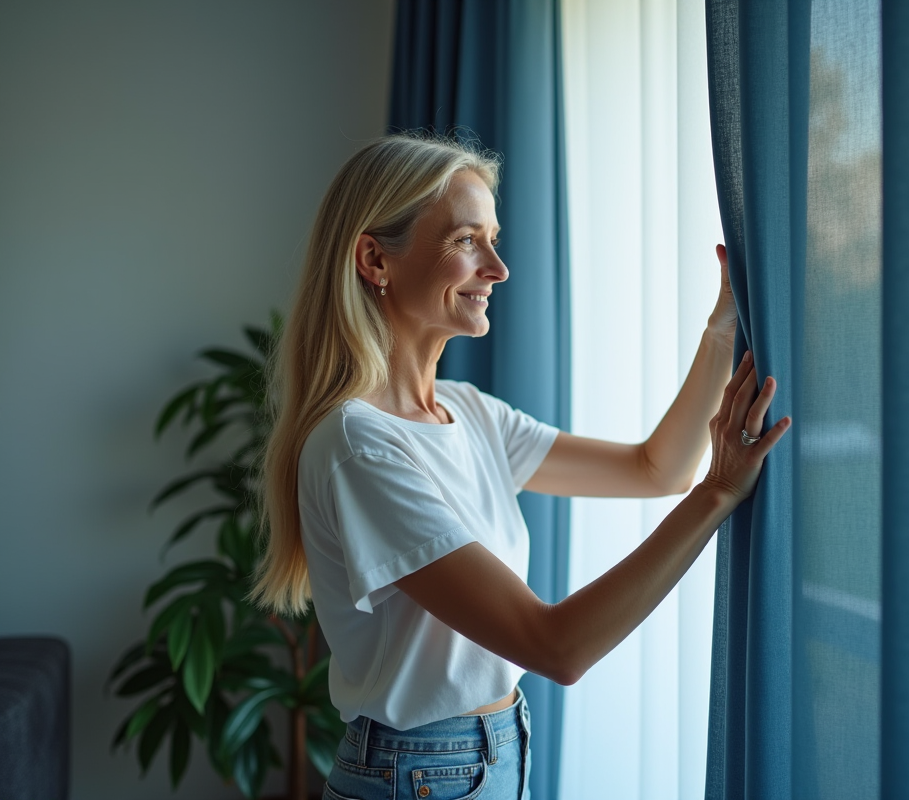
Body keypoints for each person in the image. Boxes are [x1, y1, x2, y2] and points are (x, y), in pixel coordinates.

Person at [252, 133, 790, 800]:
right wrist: (719, 492)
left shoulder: (466, 411)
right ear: (374, 260)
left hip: (494, 752)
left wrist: (722, 326)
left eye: (493, 239)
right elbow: (556, 646)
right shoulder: (358, 446)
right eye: (466, 240)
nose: (499, 268)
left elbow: (657, 468)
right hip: (419, 775)